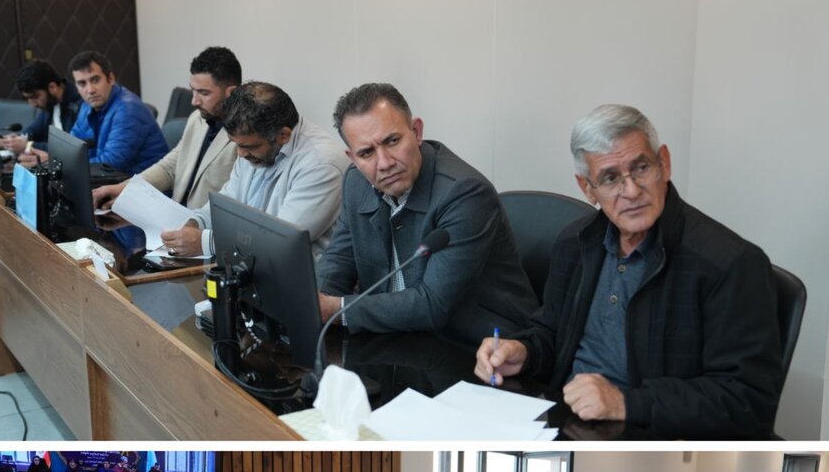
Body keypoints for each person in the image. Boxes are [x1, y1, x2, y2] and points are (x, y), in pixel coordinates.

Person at [474, 104, 782, 439]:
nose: (632, 191)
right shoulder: (574, 243)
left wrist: (625, 402)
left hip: (650, 438)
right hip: (565, 423)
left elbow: (749, 402)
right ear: (587, 188)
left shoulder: (730, 263)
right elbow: (552, 331)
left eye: (641, 168)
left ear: (664, 163)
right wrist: (524, 351)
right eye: (610, 178)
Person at [316, 83, 537, 344]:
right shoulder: (356, 182)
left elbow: (433, 304)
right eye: (367, 153)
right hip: (397, 337)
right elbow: (338, 259)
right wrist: (316, 300)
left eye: (392, 141)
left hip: (476, 346)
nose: (385, 163)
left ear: (417, 132)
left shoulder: (465, 193)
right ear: (353, 158)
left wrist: (337, 309)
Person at [163, 81, 348, 258]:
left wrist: (205, 243)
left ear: (283, 135)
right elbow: (226, 204)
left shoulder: (322, 164)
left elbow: (280, 241)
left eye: (248, 147)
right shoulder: (252, 143)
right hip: (246, 264)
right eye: (236, 144)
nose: (240, 154)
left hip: (296, 275)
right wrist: (195, 223)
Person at [93, 46, 241, 211]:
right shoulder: (197, 118)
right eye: (193, 91)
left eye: (204, 93)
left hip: (205, 224)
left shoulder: (246, 138)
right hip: (174, 216)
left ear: (232, 93)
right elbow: (170, 168)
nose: (194, 101)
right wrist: (124, 189)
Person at [67, 51, 168, 175]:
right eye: (82, 84)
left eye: (95, 80)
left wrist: (70, 166)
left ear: (111, 79)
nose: (90, 90)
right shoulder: (86, 106)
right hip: (114, 179)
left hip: (143, 183)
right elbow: (72, 147)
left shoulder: (128, 110)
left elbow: (110, 164)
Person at [1, 60, 82, 165]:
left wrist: (28, 145)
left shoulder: (78, 105)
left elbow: (69, 147)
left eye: (35, 97)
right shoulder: (50, 103)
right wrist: (16, 140)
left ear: (52, 87)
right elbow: (33, 130)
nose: (32, 104)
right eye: (28, 99)